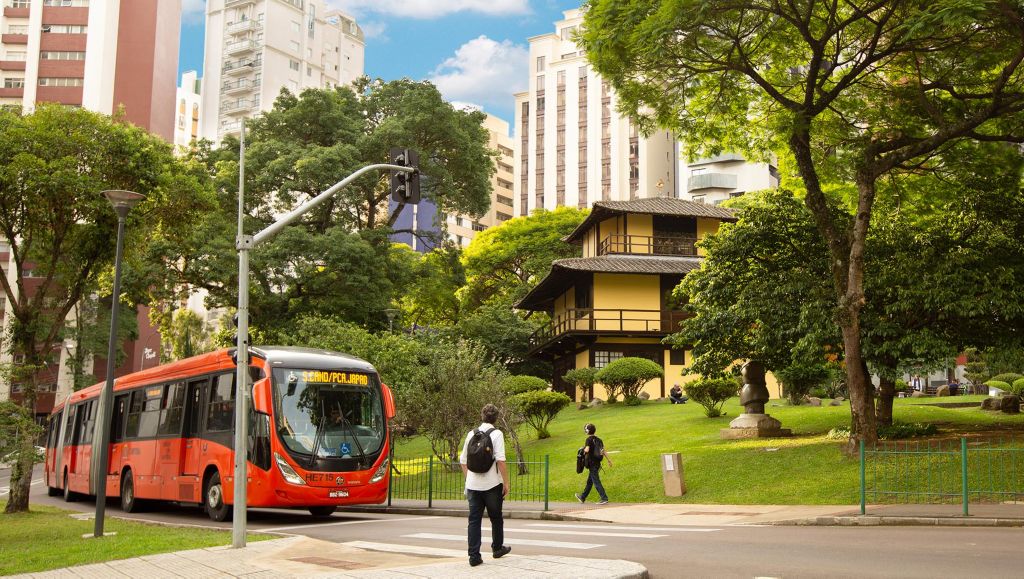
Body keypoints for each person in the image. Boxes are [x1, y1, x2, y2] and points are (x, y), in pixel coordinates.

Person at [459, 403, 512, 567]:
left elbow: (462, 461)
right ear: (496, 418)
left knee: (474, 520)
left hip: (473, 485)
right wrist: (506, 483)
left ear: (482, 416)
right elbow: (501, 461)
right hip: (492, 484)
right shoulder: (497, 434)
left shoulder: (471, 434)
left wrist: (469, 479)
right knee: (496, 517)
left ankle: (474, 556)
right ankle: (497, 548)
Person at [575, 422, 612, 505]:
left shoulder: (588, 440)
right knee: (590, 481)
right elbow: (603, 451)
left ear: (587, 431)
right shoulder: (599, 440)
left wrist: (583, 449)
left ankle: (604, 498)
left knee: (596, 481)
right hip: (598, 463)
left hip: (591, 464)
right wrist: (609, 460)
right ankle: (583, 497)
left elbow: (587, 450)